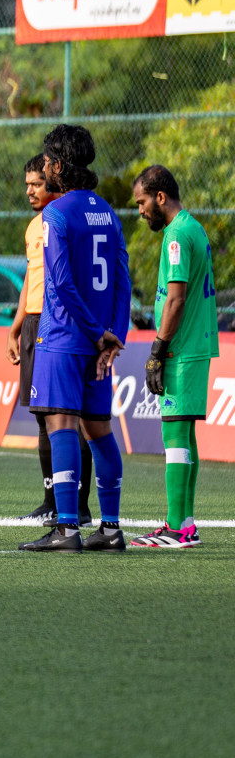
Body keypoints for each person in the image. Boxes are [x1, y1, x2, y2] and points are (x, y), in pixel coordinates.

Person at [20, 125, 130, 553]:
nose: (44, 167)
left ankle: (66, 528)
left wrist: (93, 332)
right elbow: (123, 281)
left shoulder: (56, 213)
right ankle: (112, 527)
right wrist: (112, 337)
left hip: (65, 337)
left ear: (59, 166)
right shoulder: (108, 211)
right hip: (97, 343)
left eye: (47, 161)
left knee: (60, 424)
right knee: (99, 429)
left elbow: (61, 284)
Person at [129, 165, 219, 549]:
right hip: (195, 344)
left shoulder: (177, 235)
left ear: (160, 197)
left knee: (175, 434)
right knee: (184, 434)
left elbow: (177, 297)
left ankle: (174, 527)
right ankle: (185, 524)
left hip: (182, 348)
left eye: (142, 202)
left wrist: (157, 350)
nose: (141, 211)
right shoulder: (192, 227)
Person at [7, 155, 93, 526]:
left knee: (75, 419)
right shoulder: (32, 227)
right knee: (42, 417)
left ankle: (81, 504)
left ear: (54, 183)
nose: (29, 191)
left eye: (36, 184)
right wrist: (16, 325)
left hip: (60, 322)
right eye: (27, 184)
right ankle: (51, 499)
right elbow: (32, 276)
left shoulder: (65, 220)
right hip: (34, 322)